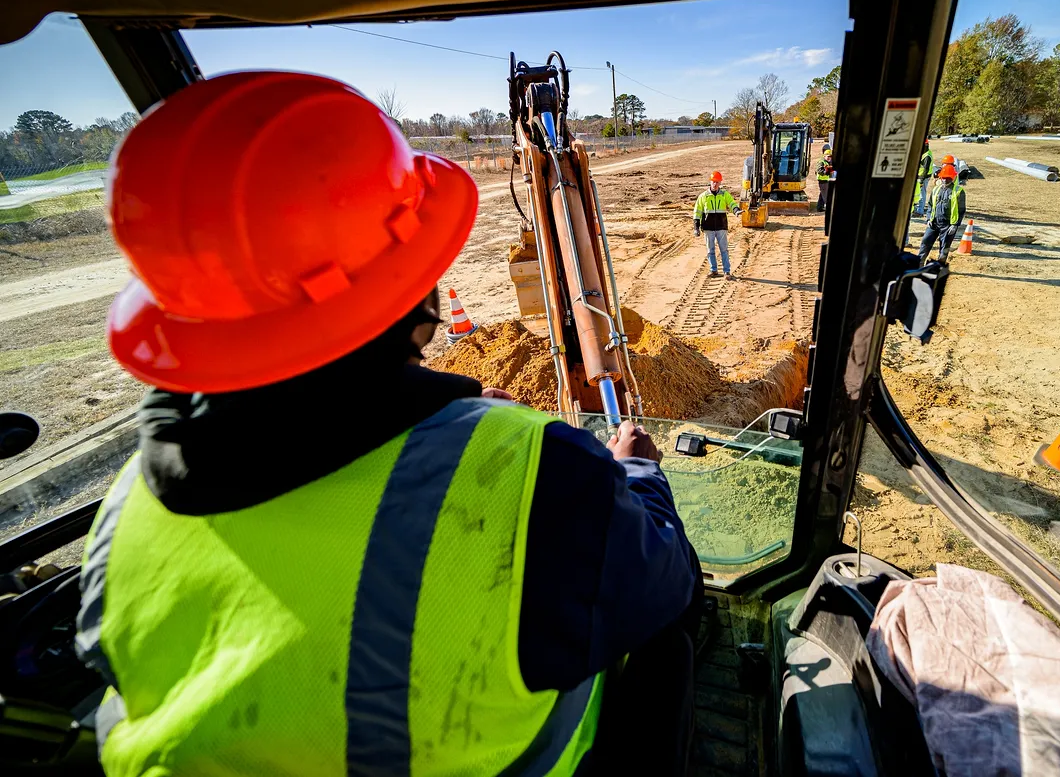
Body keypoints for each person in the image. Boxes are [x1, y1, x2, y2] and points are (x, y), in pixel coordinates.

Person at [75, 71, 703, 776]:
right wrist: (636, 471)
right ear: (412, 283)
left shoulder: (124, 505)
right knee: (670, 643)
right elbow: (667, 578)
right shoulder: (536, 476)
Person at [693, 170, 741, 279]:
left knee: (724, 249)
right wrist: (696, 227)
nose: (715, 184)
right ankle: (713, 270)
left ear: (720, 183)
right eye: (713, 182)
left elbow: (732, 203)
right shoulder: (703, 196)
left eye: (717, 182)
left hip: (721, 226)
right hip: (708, 227)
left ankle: (727, 271)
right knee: (710, 250)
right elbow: (697, 212)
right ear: (710, 182)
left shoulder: (724, 194)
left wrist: (736, 210)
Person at [916, 163, 967, 263]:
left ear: (952, 178)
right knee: (925, 242)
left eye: (947, 178)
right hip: (934, 222)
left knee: (944, 248)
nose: (944, 180)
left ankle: (938, 267)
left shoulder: (958, 191)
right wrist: (929, 218)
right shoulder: (936, 189)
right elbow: (931, 205)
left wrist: (955, 225)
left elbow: (961, 210)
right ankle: (919, 264)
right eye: (943, 177)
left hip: (947, 225)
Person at [915, 139, 933, 217]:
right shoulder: (923, 153)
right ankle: (916, 210)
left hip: (923, 177)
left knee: (921, 194)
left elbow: (926, 169)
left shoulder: (927, 156)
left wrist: (921, 179)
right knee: (917, 193)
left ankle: (920, 211)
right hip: (919, 176)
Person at [816, 144, 834, 212]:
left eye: (830, 157)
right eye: (828, 157)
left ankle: (819, 207)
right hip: (822, 181)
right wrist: (827, 172)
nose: (830, 158)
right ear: (824, 156)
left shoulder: (828, 162)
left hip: (827, 180)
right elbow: (819, 171)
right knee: (826, 196)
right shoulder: (821, 162)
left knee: (822, 194)